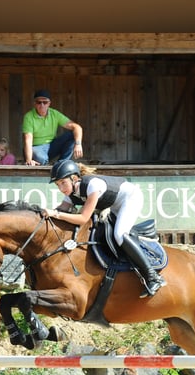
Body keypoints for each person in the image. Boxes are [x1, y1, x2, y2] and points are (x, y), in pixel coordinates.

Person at [45, 159, 166, 298]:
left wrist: (56, 214)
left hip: (130, 198)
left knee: (120, 235)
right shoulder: (71, 194)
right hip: (114, 204)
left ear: (74, 178)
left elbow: (83, 218)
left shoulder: (92, 185)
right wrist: (45, 214)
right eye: (57, 184)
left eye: (63, 183)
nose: (61, 188)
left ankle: (153, 276)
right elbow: (61, 209)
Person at [22, 89, 83, 166]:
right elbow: (28, 140)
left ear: (49, 103)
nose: (42, 105)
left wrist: (78, 144)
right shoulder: (28, 117)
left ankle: (61, 164)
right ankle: (44, 164)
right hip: (36, 148)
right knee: (42, 159)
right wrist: (29, 160)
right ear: (35, 104)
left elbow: (77, 127)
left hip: (51, 146)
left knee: (72, 134)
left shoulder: (54, 114)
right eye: (39, 102)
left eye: (45, 102)